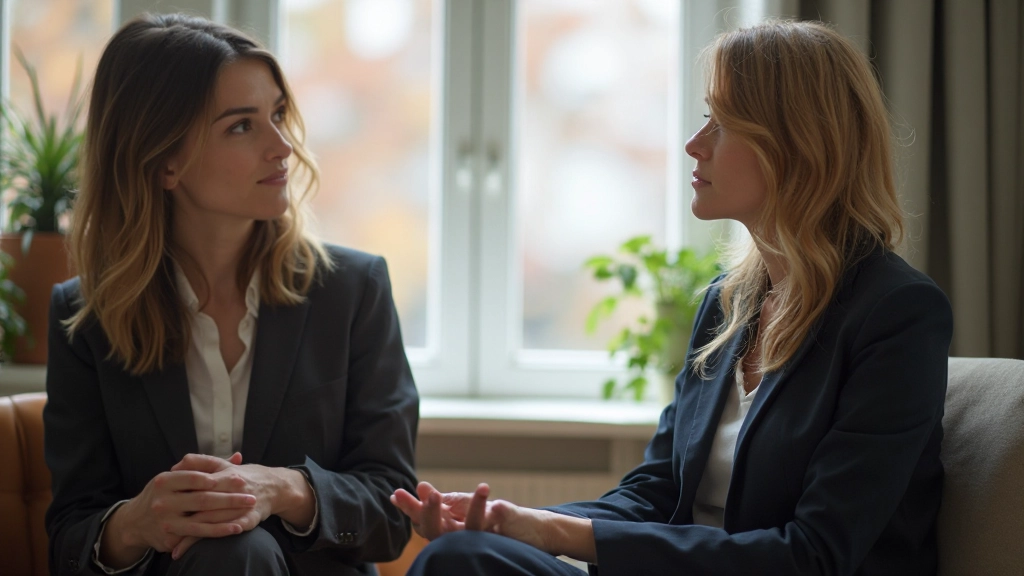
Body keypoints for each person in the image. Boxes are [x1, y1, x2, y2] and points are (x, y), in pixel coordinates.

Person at [391, 19, 953, 576]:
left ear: (795, 146)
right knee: (462, 557)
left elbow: (814, 555)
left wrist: (553, 532)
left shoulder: (897, 314)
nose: (694, 143)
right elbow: (658, 491)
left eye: (722, 122)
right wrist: (517, 522)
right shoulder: (728, 303)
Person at [43, 13, 418, 576]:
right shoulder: (84, 317)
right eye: (242, 126)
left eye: (278, 115)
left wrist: (286, 488)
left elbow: (392, 513)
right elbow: (70, 536)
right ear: (165, 161)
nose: (282, 146)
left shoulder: (353, 291)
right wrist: (135, 522)